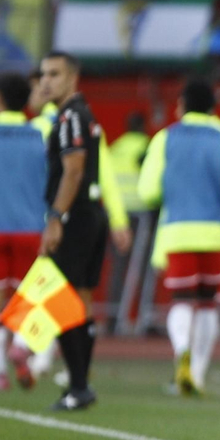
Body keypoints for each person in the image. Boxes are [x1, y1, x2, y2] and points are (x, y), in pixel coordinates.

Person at [136, 80, 220, 397]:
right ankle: (198, 373)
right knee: (206, 305)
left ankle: (181, 356)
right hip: (216, 233)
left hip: (178, 231)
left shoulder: (165, 138)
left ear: (183, 105)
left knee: (181, 300)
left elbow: (147, 191)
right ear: (213, 107)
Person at [39, 52, 129, 411]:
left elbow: (73, 170)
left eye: (54, 74)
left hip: (75, 216)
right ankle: (81, 384)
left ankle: (78, 385)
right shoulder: (84, 116)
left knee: (59, 300)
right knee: (83, 300)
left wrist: (55, 217)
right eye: (43, 74)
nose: (46, 81)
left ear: (72, 77)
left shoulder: (70, 117)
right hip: (92, 213)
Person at [0, 73, 48, 391]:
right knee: (30, 299)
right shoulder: (40, 136)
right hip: (30, 229)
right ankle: (22, 346)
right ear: (27, 102)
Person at [101, 112, 151, 334]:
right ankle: (140, 320)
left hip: (115, 215)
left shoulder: (116, 147)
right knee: (141, 268)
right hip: (139, 213)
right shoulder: (145, 146)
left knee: (118, 267)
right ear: (143, 126)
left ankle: (113, 318)